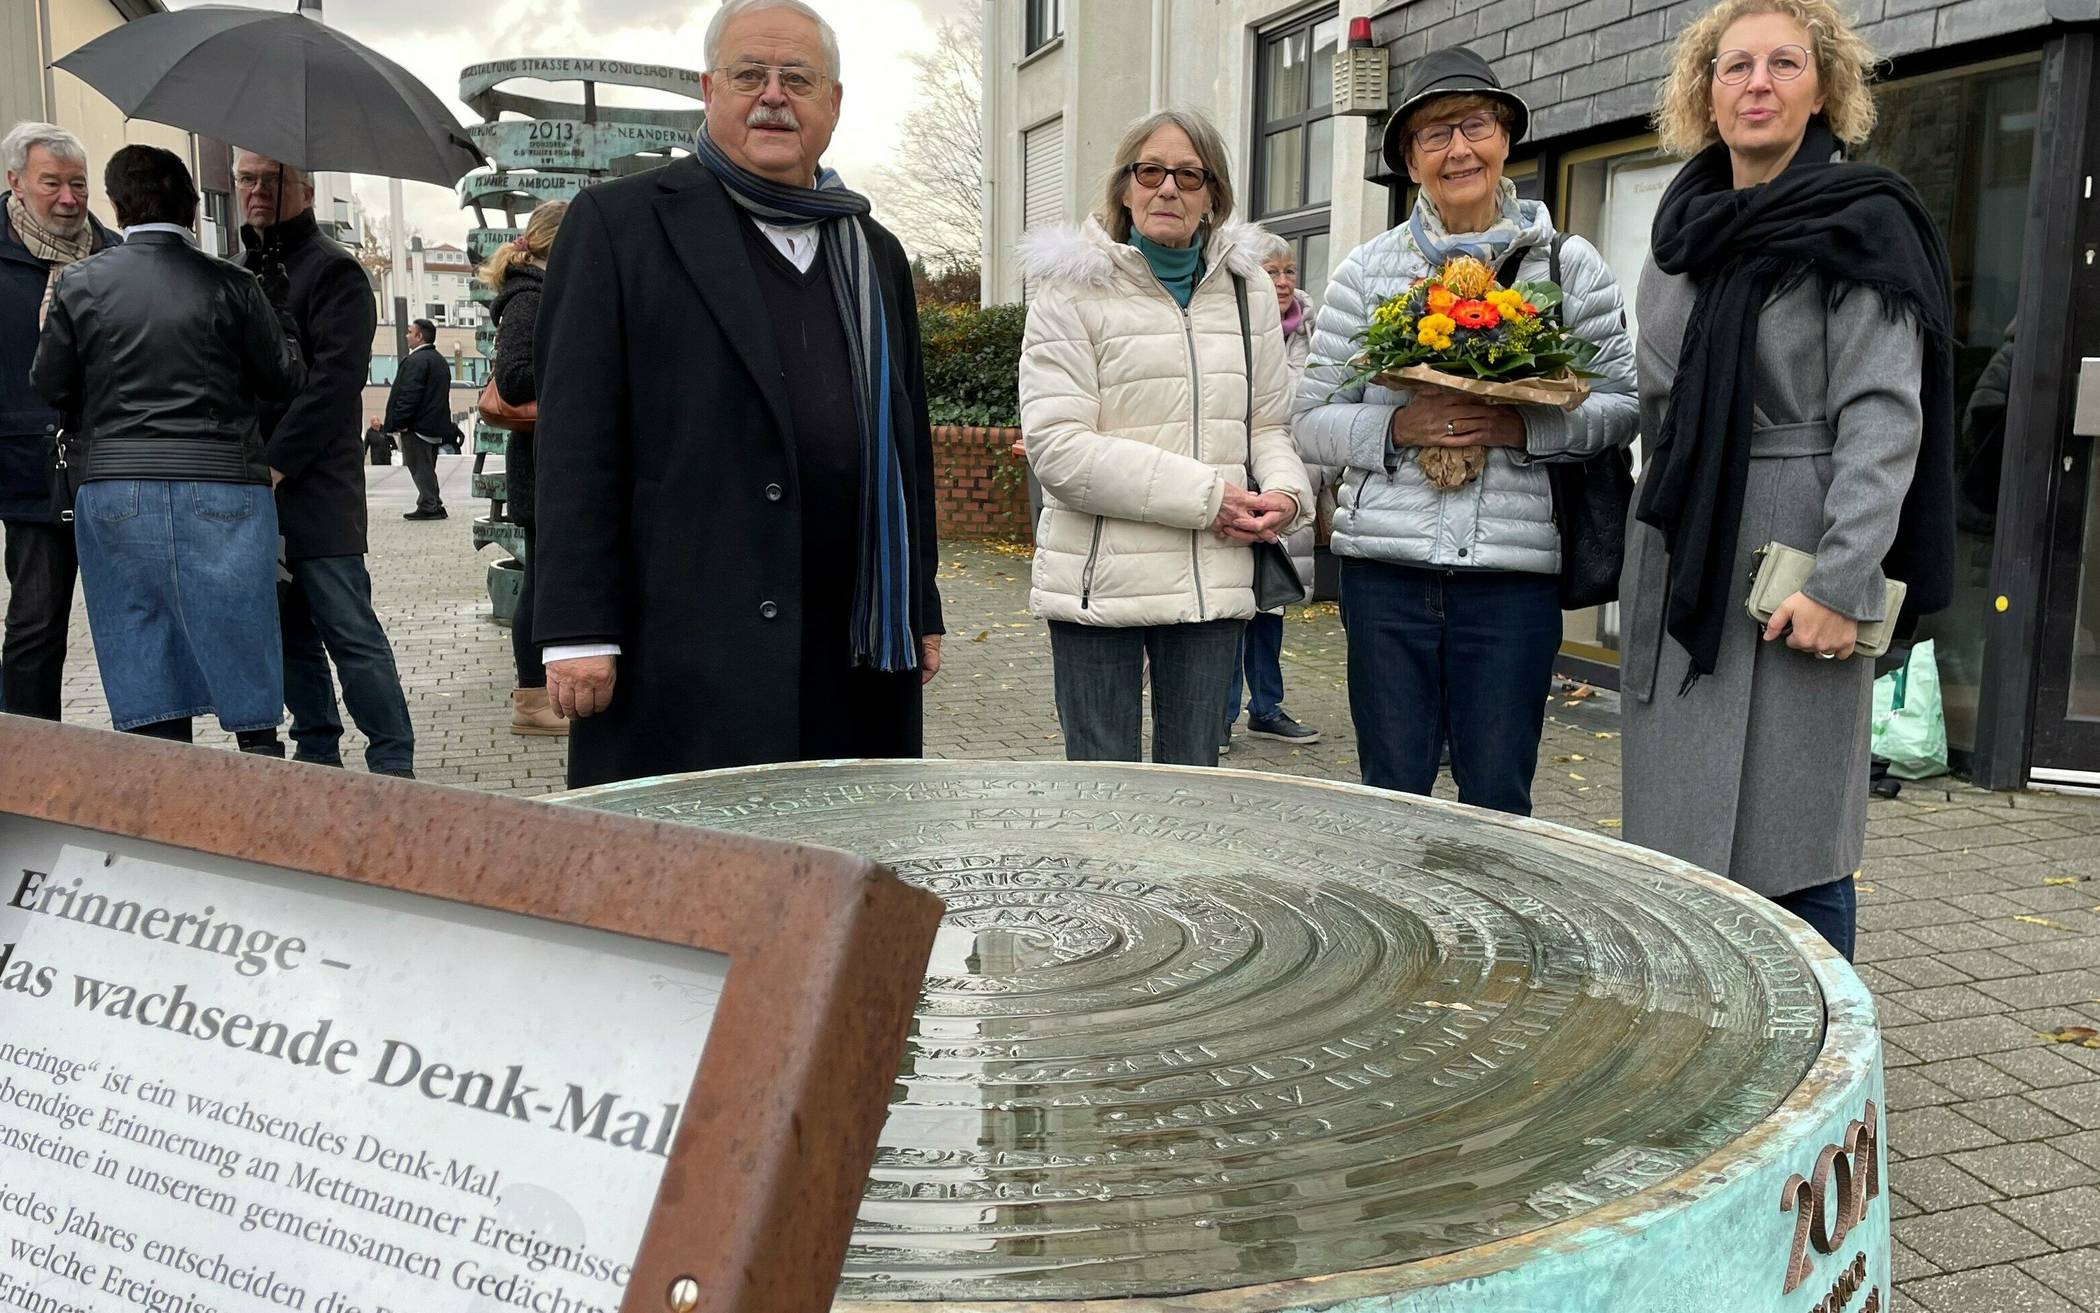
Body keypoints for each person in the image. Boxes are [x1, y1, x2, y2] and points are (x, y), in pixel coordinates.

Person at [532, 0, 945, 788]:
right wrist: (578, 628)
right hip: (683, 643)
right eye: (749, 73)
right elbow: (578, 444)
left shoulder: (874, 251)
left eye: (798, 77)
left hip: (852, 644)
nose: (773, 95)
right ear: (709, 89)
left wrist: (919, 605)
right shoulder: (619, 226)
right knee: (683, 889)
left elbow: (906, 446)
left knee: (841, 877)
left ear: (833, 103)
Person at [1621, 0, 1954, 960]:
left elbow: (1884, 419)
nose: (1757, 83)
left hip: (1794, 557)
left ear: (1824, 89)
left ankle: (1817, 1078)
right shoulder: (1681, 232)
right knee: (1676, 849)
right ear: (1704, 91)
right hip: (1686, 550)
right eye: (1735, 66)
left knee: (1795, 844)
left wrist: (1843, 582)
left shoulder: (1862, 224)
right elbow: (1657, 403)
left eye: (1783, 64)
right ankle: (1701, 1053)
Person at [1296, 46, 1637, 816]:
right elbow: (1310, 421)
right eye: (1434, 135)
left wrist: (1525, 427)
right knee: (1391, 792)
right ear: (1410, 161)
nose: (1458, 149)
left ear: (1505, 138)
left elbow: (1624, 403)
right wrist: (1397, 430)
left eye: (1473, 125)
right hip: (1387, 573)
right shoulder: (1365, 273)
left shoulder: (1568, 267)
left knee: (1497, 796)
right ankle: (1406, 939)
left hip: (1512, 580)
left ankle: (1494, 941)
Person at [1017, 109, 1313, 768]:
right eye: (1150, 171)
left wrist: (1290, 496)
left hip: (1213, 582)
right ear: (1125, 187)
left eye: (1188, 174)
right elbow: (1059, 448)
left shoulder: (1247, 293)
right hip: (1100, 585)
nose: (1168, 188)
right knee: (1103, 791)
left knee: (1192, 794)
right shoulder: (1070, 291)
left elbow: (1266, 424)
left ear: (1214, 196)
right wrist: (1210, 496)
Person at [31, 146, 304, 751]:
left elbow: (48, 386)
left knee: (138, 638)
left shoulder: (79, 283)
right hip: (223, 483)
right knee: (241, 630)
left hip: (116, 488)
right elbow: (281, 380)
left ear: (116, 204)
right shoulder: (235, 283)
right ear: (194, 204)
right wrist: (279, 312)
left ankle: (165, 791)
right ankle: (261, 773)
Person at [238, 150, 417, 779]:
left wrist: (278, 464)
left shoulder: (335, 272)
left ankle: (393, 762)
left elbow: (335, 383)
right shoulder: (237, 272)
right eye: (245, 179)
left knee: (349, 632)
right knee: (287, 637)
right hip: (252, 486)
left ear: (305, 189)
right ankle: (316, 756)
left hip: (317, 485)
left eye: (269, 179)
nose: (256, 190)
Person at [1, 123, 116, 721]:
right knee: (35, 625)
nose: (69, 198)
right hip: (27, 473)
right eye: (53, 184)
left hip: (113, 468)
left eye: (78, 184)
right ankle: (24, 765)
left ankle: (146, 763)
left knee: (133, 622)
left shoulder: (116, 255)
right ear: (15, 181)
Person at [1221, 229, 1325, 754]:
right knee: (1228, 605)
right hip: (1232, 489)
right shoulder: (1227, 322)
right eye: (1271, 271)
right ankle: (1218, 716)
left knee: (1271, 605)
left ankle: (1266, 708)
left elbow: (1323, 413)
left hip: (1289, 490)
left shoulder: (1315, 332)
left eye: (1289, 271)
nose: (1283, 281)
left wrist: (1304, 483)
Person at [484, 200, 570, 736]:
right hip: (542, 467)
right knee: (539, 581)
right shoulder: (529, 299)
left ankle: (539, 698)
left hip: (546, 465)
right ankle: (532, 701)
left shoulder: (537, 295)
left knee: (546, 577)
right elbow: (515, 379)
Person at [386, 317, 455, 520]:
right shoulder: (439, 360)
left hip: (417, 426)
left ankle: (429, 504)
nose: (406, 335)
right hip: (434, 425)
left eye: (410, 332)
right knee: (427, 466)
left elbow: (409, 394)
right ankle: (433, 502)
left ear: (419, 336)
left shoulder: (416, 361)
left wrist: (401, 422)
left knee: (420, 467)